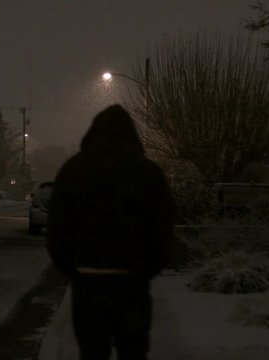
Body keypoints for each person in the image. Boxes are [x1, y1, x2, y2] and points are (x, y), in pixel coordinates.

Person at [46, 104, 175, 360]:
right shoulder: (148, 172)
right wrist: (147, 269)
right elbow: (162, 228)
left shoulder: (74, 169)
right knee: (133, 351)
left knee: (92, 352)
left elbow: (58, 228)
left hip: (88, 281)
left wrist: (72, 270)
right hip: (132, 282)